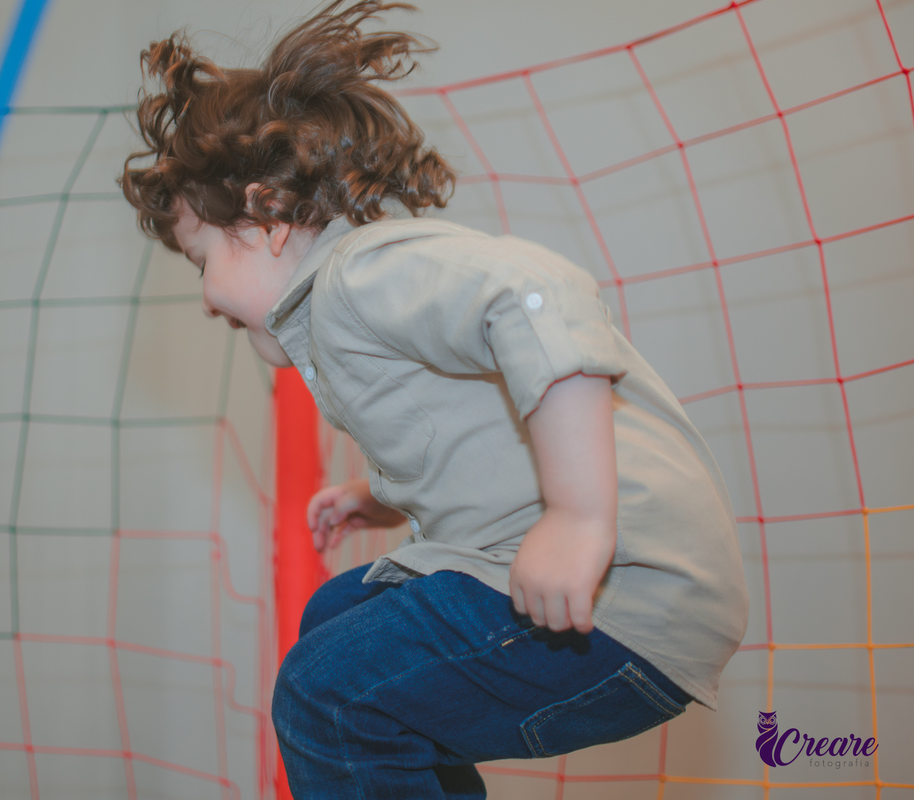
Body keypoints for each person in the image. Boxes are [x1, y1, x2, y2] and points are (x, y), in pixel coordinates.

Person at [121, 2, 749, 797]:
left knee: (326, 693)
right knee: (335, 621)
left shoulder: (360, 274)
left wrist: (578, 518)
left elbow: (536, 294)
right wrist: (380, 495)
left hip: (625, 587)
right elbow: (462, 431)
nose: (206, 297)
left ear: (268, 216)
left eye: (201, 259)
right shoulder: (346, 308)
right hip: (599, 586)